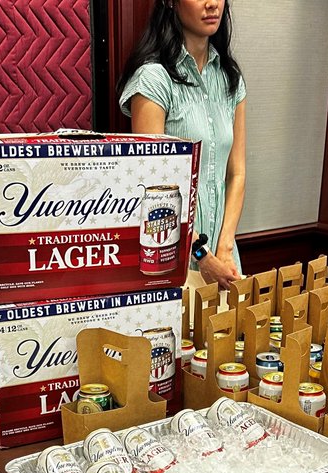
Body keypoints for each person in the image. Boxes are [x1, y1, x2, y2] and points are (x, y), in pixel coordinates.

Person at [117, 0, 246, 290]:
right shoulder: (153, 79)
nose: (212, 4)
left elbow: (236, 173)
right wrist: (201, 254)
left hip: (225, 256)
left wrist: (225, 247)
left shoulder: (230, 78)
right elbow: (150, 187)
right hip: (172, 256)